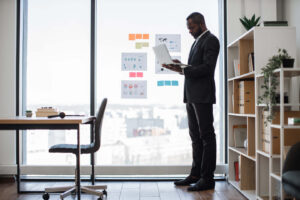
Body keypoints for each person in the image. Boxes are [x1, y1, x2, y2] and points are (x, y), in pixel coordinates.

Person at [162, 12, 220, 191]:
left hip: (202, 95)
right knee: (195, 137)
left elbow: (208, 68)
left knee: (206, 136)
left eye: (191, 28)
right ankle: (195, 174)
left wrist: (185, 70)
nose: (189, 31)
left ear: (201, 24)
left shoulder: (211, 40)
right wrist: (179, 67)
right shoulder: (196, 42)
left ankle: (207, 178)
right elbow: (195, 67)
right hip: (192, 95)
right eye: (188, 28)